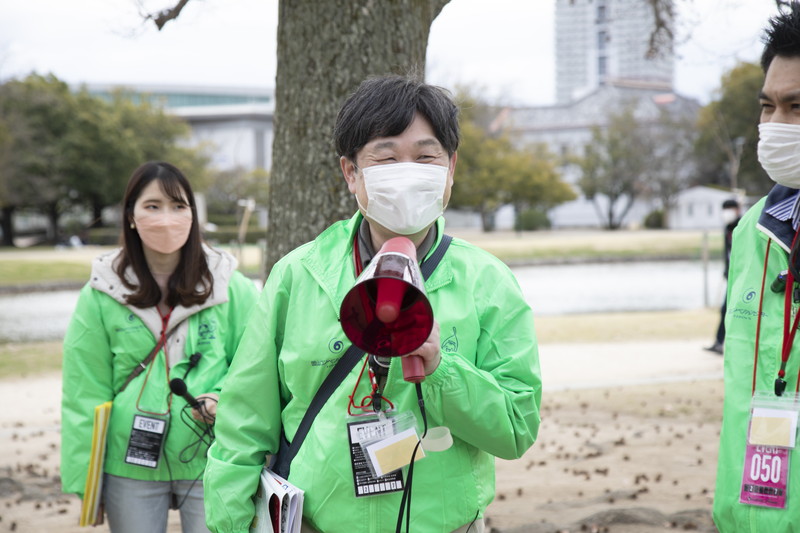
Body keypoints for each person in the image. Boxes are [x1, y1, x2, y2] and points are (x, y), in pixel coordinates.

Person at [204, 75, 542, 533]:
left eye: (425, 157)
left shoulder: (487, 281)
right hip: (315, 524)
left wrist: (442, 369)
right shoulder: (298, 276)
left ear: (451, 169)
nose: (407, 173)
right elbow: (243, 423)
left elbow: (515, 429)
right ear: (351, 173)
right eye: (386, 158)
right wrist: (230, 523)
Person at [61, 161, 259, 533]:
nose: (166, 218)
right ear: (131, 216)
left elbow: (255, 370)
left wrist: (221, 398)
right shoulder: (100, 293)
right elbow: (82, 391)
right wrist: (84, 479)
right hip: (128, 461)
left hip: (214, 457)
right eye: (152, 206)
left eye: (178, 205)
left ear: (193, 215)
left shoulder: (232, 286)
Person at [714, 3, 800, 530]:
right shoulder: (752, 231)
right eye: (768, 106)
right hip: (747, 513)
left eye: (797, 107)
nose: (776, 125)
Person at [704, 198, 742, 355]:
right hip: (732, 275)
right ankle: (719, 342)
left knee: (736, 310)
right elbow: (727, 253)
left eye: (730, 209)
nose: (727, 213)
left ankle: (727, 343)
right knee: (726, 309)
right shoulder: (727, 228)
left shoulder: (743, 225)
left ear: (737, 209)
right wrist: (726, 270)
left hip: (742, 275)